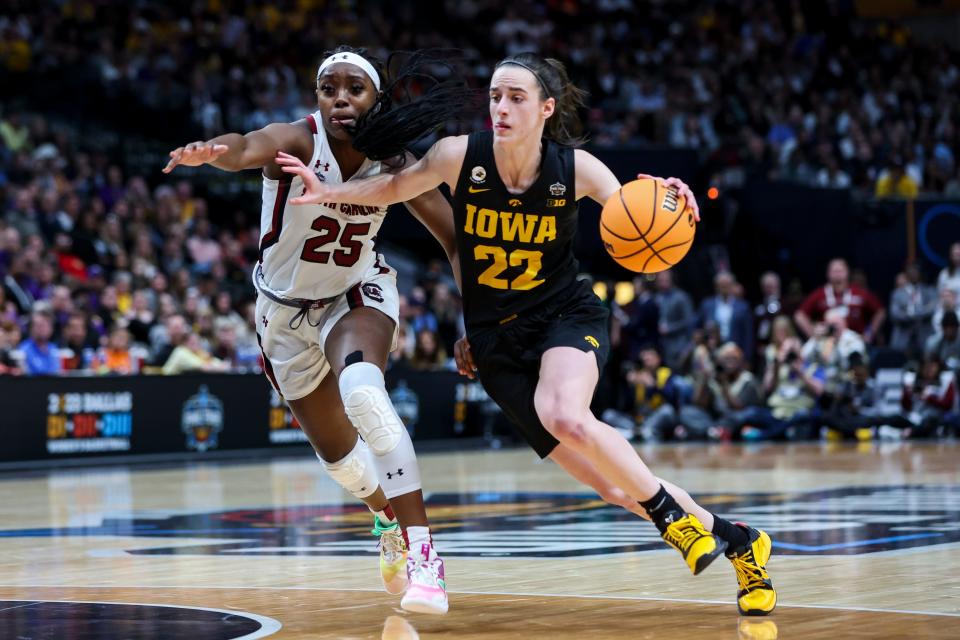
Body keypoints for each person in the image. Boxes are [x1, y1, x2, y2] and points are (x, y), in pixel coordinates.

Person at [279, 52, 776, 616]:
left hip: (563, 316)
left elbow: (637, 211)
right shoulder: (458, 156)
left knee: (565, 413)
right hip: (498, 343)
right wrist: (327, 193)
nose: (502, 107)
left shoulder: (576, 169)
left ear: (545, 109)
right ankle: (740, 542)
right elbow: (393, 188)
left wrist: (674, 201)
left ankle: (670, 518)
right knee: (614, 487)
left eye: (516, 97)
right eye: (495, 96)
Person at [162, 47, 475, 614]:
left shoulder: (399, 162)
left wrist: (474, 316)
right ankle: (384, 517)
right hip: (281, 311)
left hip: (355, 293)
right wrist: (216, 152)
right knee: (343, 464)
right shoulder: (298, 141)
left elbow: (456, 239)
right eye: (329, 88)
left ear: (376, 99)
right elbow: (246, 146)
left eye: (355, 89)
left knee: (364, 393)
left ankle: (426, 559)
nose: (341, 99)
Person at [794, 258, 885, 343]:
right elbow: (799, 315)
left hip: (855, 341)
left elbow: (880, 311)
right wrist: (813, 334)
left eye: (840, 271)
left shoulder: (859, 293)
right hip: (827, 343)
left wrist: (869, 334)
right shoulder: (819, 294)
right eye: (834, 271)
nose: (837, 275)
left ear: (847, 273)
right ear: (828, 274)